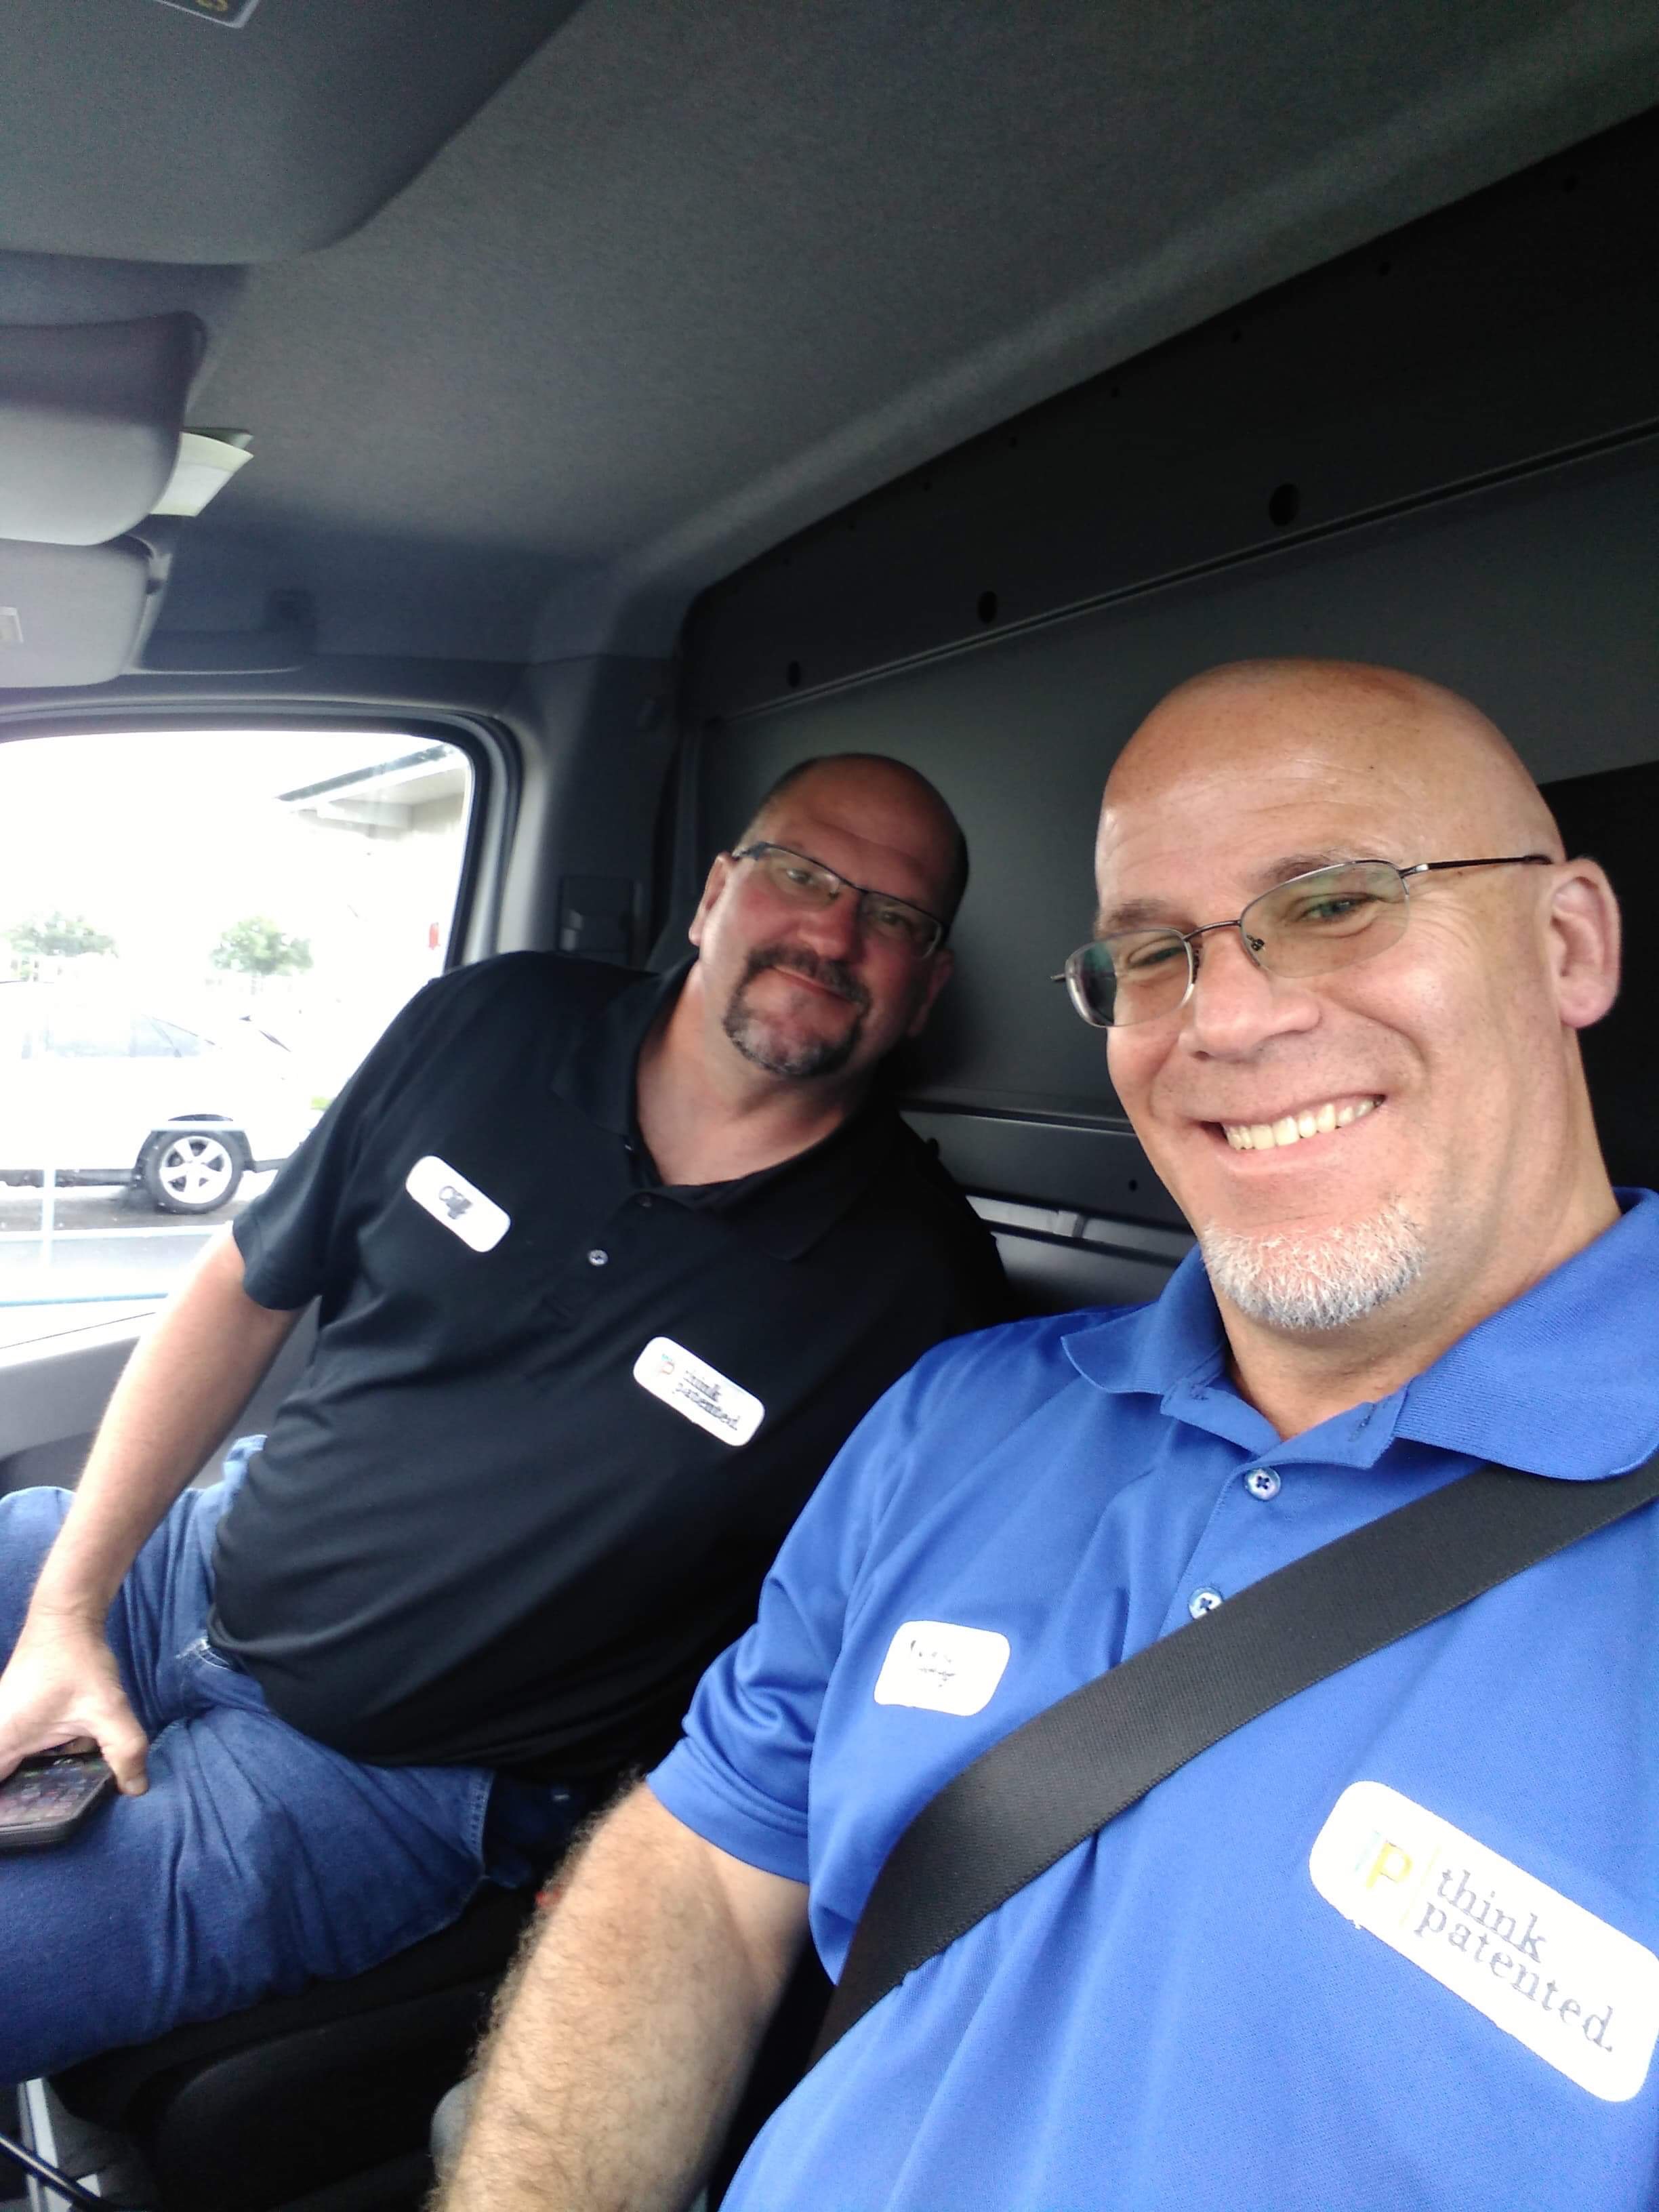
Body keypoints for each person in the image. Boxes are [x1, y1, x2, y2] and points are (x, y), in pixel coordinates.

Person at [441, 659, 1658, 2212]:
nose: (1227, 1017)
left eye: (1336, 902)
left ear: (1568, 942)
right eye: (1152, 953)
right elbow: (705, 1867)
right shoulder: (958, 1417)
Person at [0, 752, 1008, 2084]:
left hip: (387, 1781)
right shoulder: (492, 1026)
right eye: (803, 875)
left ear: (927, 986)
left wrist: (656, 1845)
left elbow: (848, 1650)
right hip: (182, 1566)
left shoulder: (920, 1290)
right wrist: (71, 1608)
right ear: (717, 892)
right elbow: (245, 1287)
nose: (833, 933)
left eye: (893, 916)